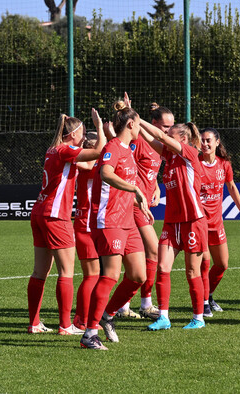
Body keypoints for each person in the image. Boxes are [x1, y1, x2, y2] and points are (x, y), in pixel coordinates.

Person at [80, 101, 152, 350]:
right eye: (139, 123)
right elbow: (106, 174)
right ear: (132, 124)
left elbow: (125, 184)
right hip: (109, 220)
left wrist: (139, 202)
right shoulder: (112, 147)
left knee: (138, 276)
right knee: (110, 275)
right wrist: (135, 189)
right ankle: (90, 334)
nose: (141, 127)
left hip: (127, 221)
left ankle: (108, 315)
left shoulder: (127, 148)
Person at [28, 109, 105, 335]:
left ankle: (34, 323)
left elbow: (88, 165)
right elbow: (99, 151)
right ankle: (65, 325)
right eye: (81, 134)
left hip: (40, 213)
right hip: (56, 216)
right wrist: (100, 127)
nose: (83, 139)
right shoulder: (66, 149)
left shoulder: (53, 150)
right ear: (73, 135)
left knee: (39, 272)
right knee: (66, 273)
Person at [138, 120, 209, 330]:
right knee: (162, 267)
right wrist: (132, 117)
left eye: (171, 133)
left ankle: (198, 318)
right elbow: (151, 139)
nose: (165, 134)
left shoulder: (188, 152)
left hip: (193, 221)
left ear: (183, 139)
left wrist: (139, 118)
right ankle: (164, 317)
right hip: (172, 222)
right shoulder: (168, 155)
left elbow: (158, 137)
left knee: (192, 272)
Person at [114, 98, 173, 320]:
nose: (169, 130)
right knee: (154, 251)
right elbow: (126, 168)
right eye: (165, 127)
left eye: (171, 126)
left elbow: (147, 169)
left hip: (146, 202)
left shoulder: (160, 147)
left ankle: (128, 305)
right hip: (134, 204)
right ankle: (143, 304)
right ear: (153, 124)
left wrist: (156, 186)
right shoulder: (137, 140)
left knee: (140, 256)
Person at [198, 127, 240, 317]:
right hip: (199, 222)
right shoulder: (195, 163)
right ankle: (202, 304)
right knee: (204, 262)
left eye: (208, 140)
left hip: (216, 222)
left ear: (217, 142)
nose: (205, 144)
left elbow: (232, 186)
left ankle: (208, 296)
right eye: (202, 140)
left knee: (222, 264)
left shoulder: (224, 164)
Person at [72, 132, 100, 330]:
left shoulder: (92, 165)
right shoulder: (91, 166)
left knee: (95, 275)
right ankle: (81, 319)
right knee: (92, 275)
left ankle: (86, 317)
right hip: (86, 225)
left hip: (92, 224)